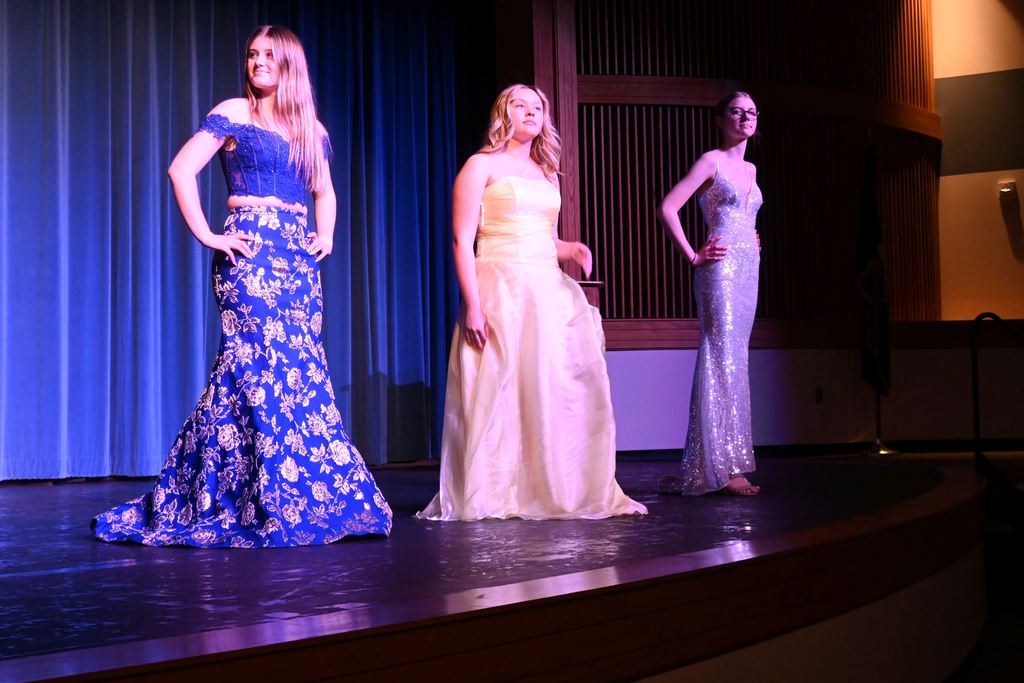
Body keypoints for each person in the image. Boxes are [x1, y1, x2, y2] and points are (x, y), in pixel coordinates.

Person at [92, 25, 393, 547]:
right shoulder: (235, 112)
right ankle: (234, 498)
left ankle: (294, 494)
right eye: (252, 54)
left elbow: (325, 191)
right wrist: (209, 233)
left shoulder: (310, 129)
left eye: (268, 55)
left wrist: (325, 236)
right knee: (253, 369)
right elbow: (181, 170)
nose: (256, 62)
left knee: (299, 373)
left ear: (289, 64)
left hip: (297, 262)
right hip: (249, 255)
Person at [417, 84, 647, 521]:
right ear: (503, 113)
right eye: (519, 104)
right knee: (499, 391)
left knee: (553, 389)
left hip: (545, 290)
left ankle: (554, 486)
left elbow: (541, 238)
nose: (530, 112)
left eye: (537, 106)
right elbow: (462, 241)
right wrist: (474, 304)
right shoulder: (480, 166)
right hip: (500, 287)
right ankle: (496, 490)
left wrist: (571, 249)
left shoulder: (546, 171)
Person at [658, 91, 763, 496]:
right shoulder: (711, 161)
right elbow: (669, 206)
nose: (745, 118)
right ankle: (726, 467)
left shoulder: (752, 168)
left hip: (749, 270)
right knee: (720, 357)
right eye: (737, 112)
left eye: (752, 112)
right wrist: (693, 254)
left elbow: (742, 216)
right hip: (718, 270)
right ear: (721, 119)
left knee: (736, 357)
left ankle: (710, 466)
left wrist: (751, 238)